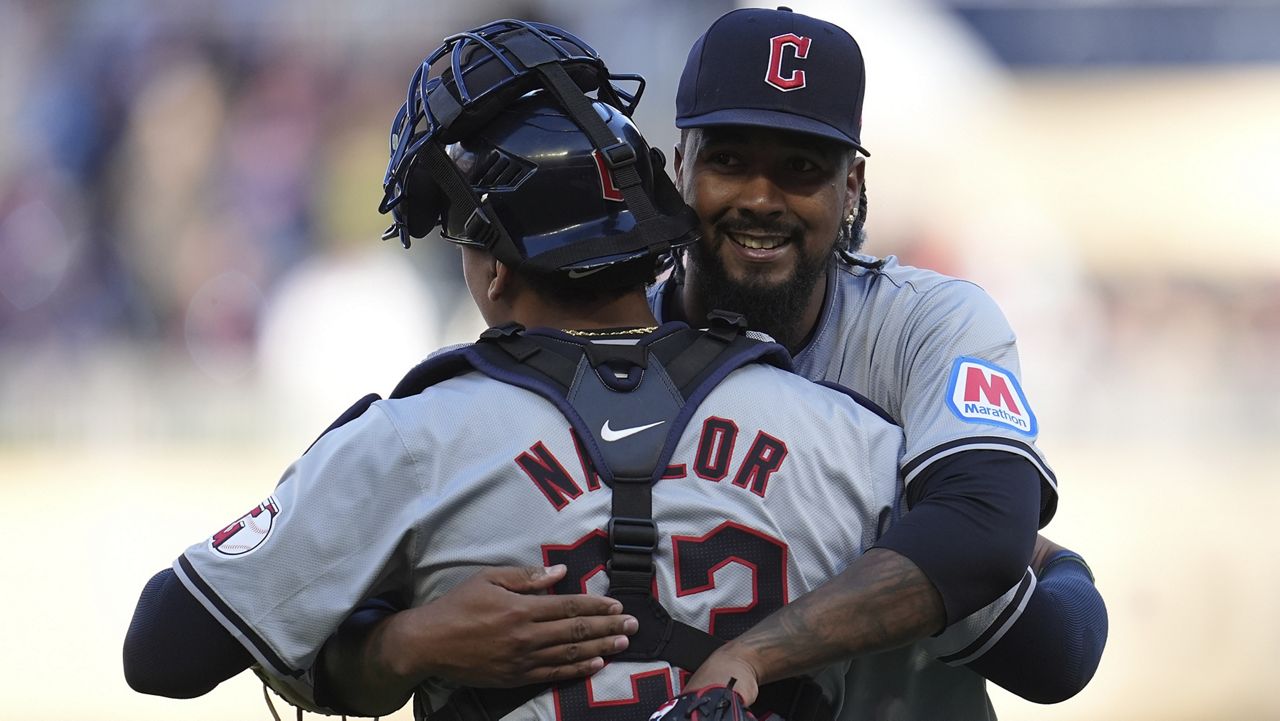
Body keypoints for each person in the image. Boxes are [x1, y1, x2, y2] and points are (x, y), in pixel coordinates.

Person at [122, 19, 940, 721]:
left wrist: (401, 641)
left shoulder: (414, 438)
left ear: (494, 269)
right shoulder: (843, 432)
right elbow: (1044, 630)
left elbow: (161, 649)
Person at [315, 8, 1106, 721]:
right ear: (678, 164)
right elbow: (339, 615)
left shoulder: (922, 322)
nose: (761, 197)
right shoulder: (584, 330)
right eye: (730, 159)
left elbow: (1040, 627)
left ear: (852, 184)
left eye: (801, 169)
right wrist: (406, 642)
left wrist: (754, 656)